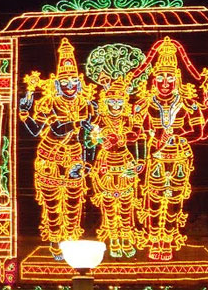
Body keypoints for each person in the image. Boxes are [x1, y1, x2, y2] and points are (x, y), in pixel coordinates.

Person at [131, 37, 208, 261]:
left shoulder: (188, 103)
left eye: (170, 77)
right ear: (154, 79)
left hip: (179, 157)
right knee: (153, 200)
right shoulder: (143, 104)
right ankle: (153, 242)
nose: (165, 81)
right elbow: (134, 132)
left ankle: (168, 242)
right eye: (160, 76)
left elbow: (200, 132)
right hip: (155, 158)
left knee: (173, 201)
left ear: (177, 79)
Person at [19, 38, 95, 259]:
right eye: (65, 81)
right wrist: (25, 114)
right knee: (52, 205)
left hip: (74, 158)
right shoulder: (48, 103)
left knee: (73, 203)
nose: (70, 85)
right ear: (58, 83)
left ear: (78, 82)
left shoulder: (85, 104)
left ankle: (70, 242)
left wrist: (87, 162)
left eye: (73, 81)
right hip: (49, 157)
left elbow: (90, 137)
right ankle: (54, 241)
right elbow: (34, 131)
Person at [86, 77, 143, 258]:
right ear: (106, 102)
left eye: (119, 102)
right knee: (109, 204)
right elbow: (91, 139)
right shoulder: (100, 119)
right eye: (112, 102)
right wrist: (102, 138)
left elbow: (138, 136)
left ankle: (126, 240)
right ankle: (113, 241)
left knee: (126, 204)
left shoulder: (128, 119)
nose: (116, 105)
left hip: (125, 162)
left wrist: (138, 158)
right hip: (106, 164)